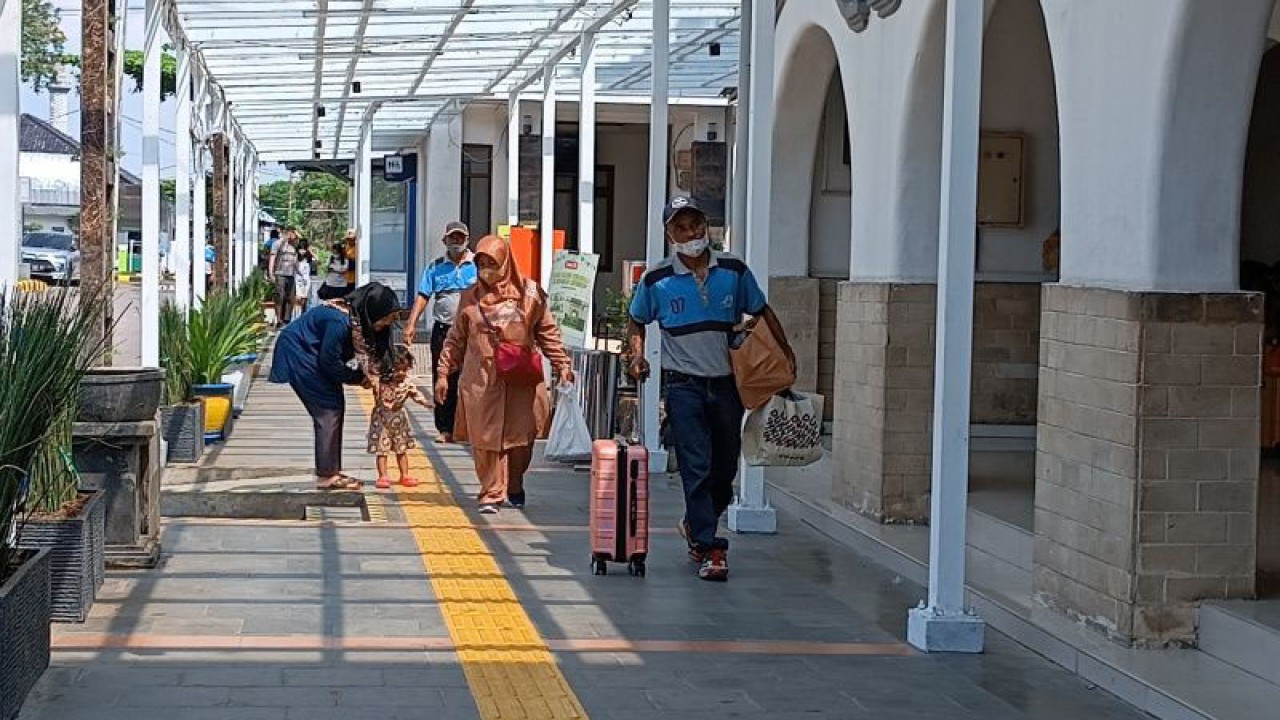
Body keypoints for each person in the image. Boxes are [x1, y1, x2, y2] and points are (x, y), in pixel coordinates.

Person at [627, 196, 796, 582]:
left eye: (696, 225)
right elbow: (636, 321)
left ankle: (695, 521)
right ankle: (709, 545)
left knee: (724, 464)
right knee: (695, 463)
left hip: (727, 385)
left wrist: (784, 353)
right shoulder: (656, 280)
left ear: (706, 226)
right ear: (670, 234)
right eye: (682, 227)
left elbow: (761, 310)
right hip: (683, 385)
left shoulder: (733, 270)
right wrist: (636, 357)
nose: (691, 234)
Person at [436, 236, 574, 514]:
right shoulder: (470, 298)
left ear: (506, 262)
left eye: (492, 263)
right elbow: (455, 340)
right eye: (482, 263)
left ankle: (514, 483)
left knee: (521, 437)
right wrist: (443, 372)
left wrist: (562, 363)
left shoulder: (531, 295)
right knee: (485, 439)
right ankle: (491, 491)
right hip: (481, 380)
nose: (487, 269)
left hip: (520, 379)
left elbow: (547, 332)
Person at [269, 282, 402, 490]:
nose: (386, 324)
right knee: (328, 410)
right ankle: (327, 476)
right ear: (373, 311)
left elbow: (371, 353)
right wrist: (358, 378)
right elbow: (329, 362)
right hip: (300, 354)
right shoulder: (339, 321)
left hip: (312, 355)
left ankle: (331, 470)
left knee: (334, 406)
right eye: (385, 319)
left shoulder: (356, 320)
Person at [404, 221, 477, 443]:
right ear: (445, 240)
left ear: (467, 240)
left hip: (472, 332)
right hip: (444, 330)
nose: (456, 242)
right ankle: (445, 428)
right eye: (452, 238)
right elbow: (424, 295)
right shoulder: (435, 267)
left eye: (460, 237)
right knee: (444, 377)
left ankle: (469, 426)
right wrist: (411, 323)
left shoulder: (478, 265)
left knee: (473, 377)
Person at [368, 345, 430, 490]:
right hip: (381, 421)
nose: (401, 373)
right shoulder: (380, 382)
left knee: (401, 448)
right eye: (397, 369)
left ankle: (404, 474)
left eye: (405, 369)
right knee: (381, 449)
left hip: (399, 420)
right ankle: (383, 475)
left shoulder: (407, 384)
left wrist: (426, 403)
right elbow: (370, 380)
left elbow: (415, 394)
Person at [269, 228, 301, 326]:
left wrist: (299, 272)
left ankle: (287, 319)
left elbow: (296, 260)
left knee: (290, 297)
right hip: (280, 273)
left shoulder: (295, 245)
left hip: (291, 274)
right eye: (292, 234)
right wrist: (271, 273)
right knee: (280, 296)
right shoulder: (278, 244)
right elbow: (272, 257)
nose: (293, 236)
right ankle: (279, 319)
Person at [318, 231, 355, 301]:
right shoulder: (331, 258)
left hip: (342, 285)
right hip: (330, 284)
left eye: (351, 239)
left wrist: (334, 270)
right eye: (347, 239)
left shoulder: (346, 259)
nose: (349, 241)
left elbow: (344, 269)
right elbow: (326, 267)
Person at [294, 241, 314, 315]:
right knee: (298, 297)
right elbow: (295, 266)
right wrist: (299, 273)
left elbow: (317, 260)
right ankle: (296, 314)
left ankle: (303, 313)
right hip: (298, 279)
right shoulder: (296, 257)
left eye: (304, 249)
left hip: (306, 279)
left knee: (304, 297)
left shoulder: (308, 257)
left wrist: (310, 251)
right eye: (300, 249)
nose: (302, 251)